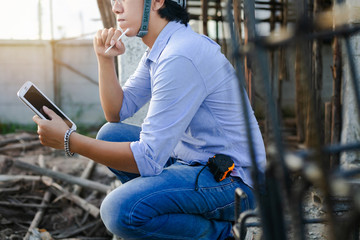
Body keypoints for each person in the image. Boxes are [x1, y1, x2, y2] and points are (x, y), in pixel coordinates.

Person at [33, 0, 266, 238]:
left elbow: (148, 158)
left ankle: (223, 234)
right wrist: (105, 59)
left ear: (156, 2)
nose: (115, 8)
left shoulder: (180, 55)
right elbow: (117, 111)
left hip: (236, 184)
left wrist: (69, 140)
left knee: (118, 210)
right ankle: (172, 215)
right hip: (197, 163)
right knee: (110, 134)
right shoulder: (163, 47)